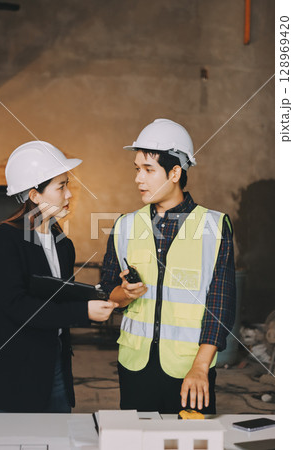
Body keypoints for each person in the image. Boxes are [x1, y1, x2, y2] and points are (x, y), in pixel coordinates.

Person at [101, 119, 236, 414]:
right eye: (137, 169)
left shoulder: (214, 226)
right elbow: (107, 294)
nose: (139, 178)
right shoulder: (125, 225)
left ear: (175, 172)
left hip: (190, 370)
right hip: (134, 366)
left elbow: (221, 303)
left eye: (149, 170)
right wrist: (124, 293)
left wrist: (201, 367)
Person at [0, 141, 117, 413]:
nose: (69, 195)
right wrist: (84, 312)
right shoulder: (4, 239)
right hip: (12, 375)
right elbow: (17, 306)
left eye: (67, 185)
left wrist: (102, 295)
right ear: (35, 196)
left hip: (55, 369)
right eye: (61, 186)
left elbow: (58, 297)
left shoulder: (62, 243)